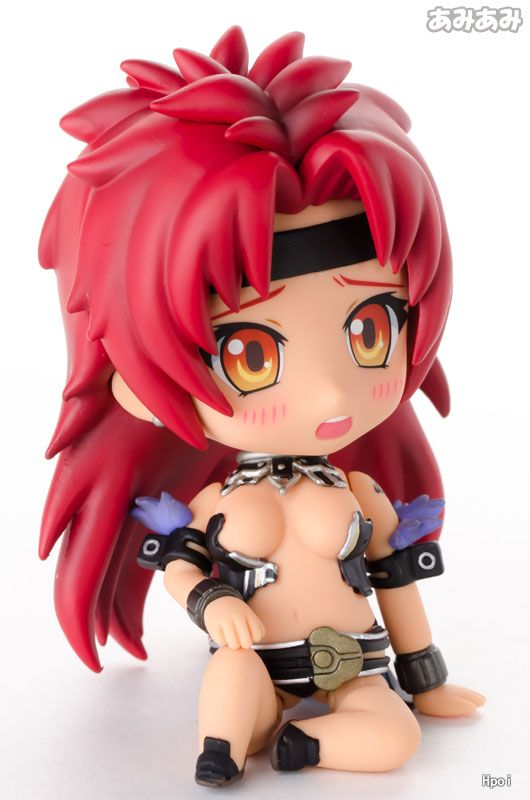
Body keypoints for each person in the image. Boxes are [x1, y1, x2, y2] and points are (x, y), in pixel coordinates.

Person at [39, 26, 485, 788]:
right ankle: (221, 750)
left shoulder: (362, 496)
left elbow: (395, 584)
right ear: (134, 380)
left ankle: (305, 747)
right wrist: (212, 603)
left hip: (356, 668)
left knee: (394, 738)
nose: (330, 393)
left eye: (370, 331)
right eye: (252, 354)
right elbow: (181, 567)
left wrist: (425, 676)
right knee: (233, 683)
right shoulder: (213, 504)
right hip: (255, 662)